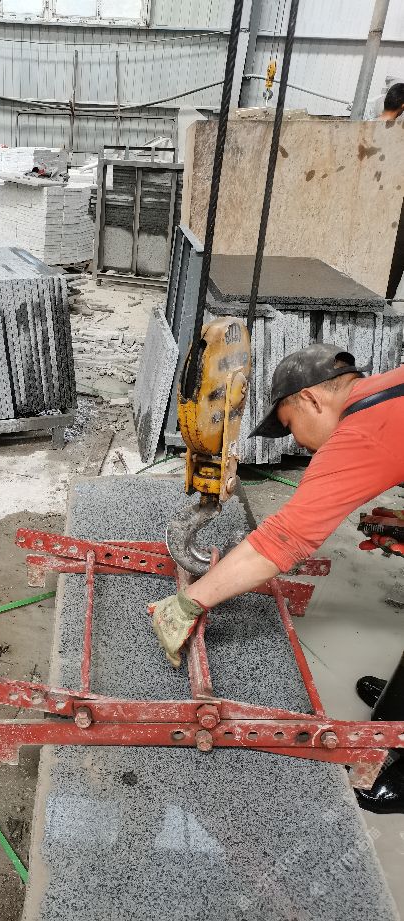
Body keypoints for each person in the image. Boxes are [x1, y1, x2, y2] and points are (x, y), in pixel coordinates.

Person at [149, 343, 404, 812]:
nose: (297, 443)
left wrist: (190, 602)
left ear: (310, 399)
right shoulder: (389, 389)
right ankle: (397, 707)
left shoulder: (361, 432)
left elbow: (283, 540)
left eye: (288, 425)